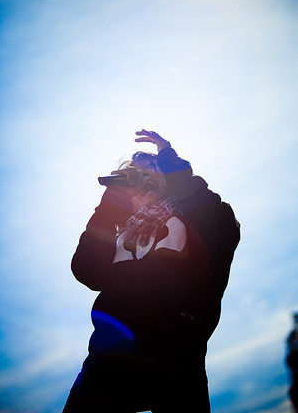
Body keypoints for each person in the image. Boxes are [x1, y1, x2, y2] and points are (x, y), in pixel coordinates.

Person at [63, 129, 240, 413]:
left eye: (151, 173)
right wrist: (110, 206)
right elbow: (87, 270)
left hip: (177, 357)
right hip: (109, 360)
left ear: (169, 182)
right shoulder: (121, 237)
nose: (142, 180)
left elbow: (206, 208)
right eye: (135, 176)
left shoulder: (203, 222)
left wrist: (171, 163)